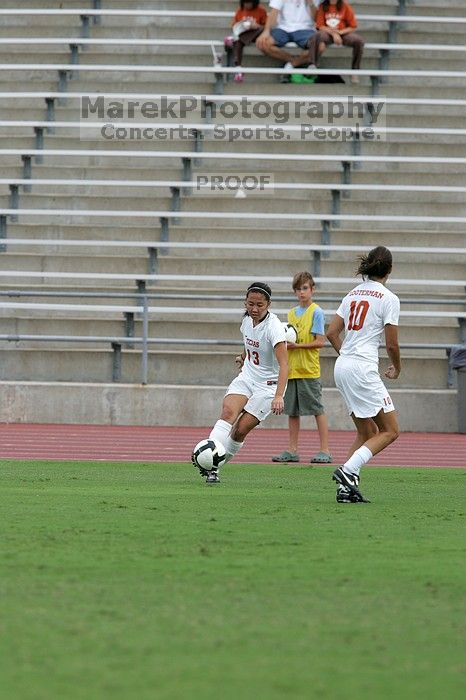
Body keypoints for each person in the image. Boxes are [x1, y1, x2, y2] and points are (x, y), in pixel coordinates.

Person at [326, 246, 401, 503]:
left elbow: (331, 332)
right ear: (389, 271)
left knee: (366, 432)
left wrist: (345, 355)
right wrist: (397, 367)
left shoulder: (352, 294)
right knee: (390, 431)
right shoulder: (388, 298)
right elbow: (391, 344)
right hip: (362, 368)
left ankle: (344, 490)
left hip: (343, 366)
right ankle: (348, 471)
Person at [193, 282, 288, 484]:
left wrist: (279, 395)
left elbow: (285, 364)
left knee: (240, 430)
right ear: (245, 302)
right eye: (250, 304)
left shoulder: (275, 328)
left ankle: (215, 463)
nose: (254, 309)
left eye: (259, 305)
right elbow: (250, 343)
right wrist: (244, 356)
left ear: (268, 304)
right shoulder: (246, 321)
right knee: (228, 412)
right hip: (247, 377)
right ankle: (211, 467)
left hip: (268, 386)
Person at [272, 271, 332, 464]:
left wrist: (298, 346)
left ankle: (325, 449)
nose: (301, 292)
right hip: (292, 369)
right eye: (298, 289)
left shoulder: (317, 312)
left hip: (309, 369)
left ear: (312, 289)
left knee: (317, 409)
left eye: (305, 288)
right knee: (292, 412)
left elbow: (320, 341)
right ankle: (292, 450)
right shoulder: (291, 313)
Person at [256, 0, 321, 82]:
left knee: (320, 47)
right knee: (263, 44)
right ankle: (296, 61)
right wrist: (266, 31)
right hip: (283, 28)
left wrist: (310, 3)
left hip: (306, 29)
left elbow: (317, 19)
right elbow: (274, 12)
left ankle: (291, 65)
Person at [308, 0, 364, 84]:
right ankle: (313, 64)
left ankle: (355, 70)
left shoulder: (345, 6)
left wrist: (339, 33)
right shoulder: (323, 6)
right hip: (327, 33)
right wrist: (333, 34)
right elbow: (320, 26)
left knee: (359, 41)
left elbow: (353, 26)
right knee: (317, 36)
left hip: (343, 33)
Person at [225, 0, 268, 82]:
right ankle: (238, 69)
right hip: (243, 34)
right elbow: (235, 26)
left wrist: (256, 26)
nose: (247, 5)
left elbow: (266, 27)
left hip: (256, 35)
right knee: (238, 42)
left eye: (249, 3)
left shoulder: (261, 11)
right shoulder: (240, 11)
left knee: (260, 29)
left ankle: (234, 38)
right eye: (245, 3)